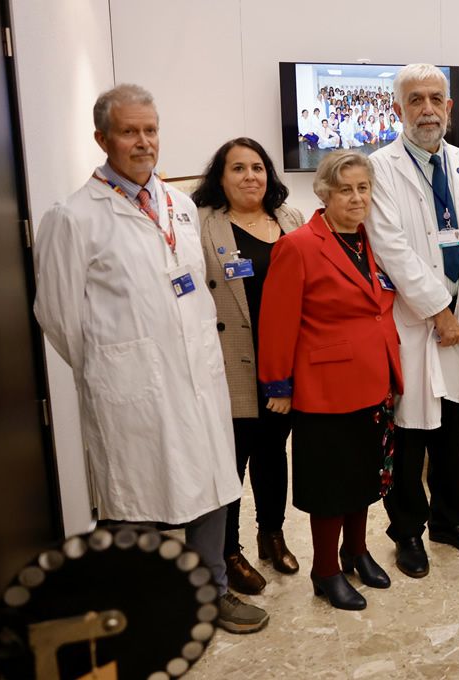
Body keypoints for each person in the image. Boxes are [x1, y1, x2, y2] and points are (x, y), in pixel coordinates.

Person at [33, 83, 267, 633]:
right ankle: (138, 602)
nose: (144, 142)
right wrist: (118, 368)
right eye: (130, 131)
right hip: (131, 386)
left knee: (212, 481)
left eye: (151, 130)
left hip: (198, 377)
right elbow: (59, 317)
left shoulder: (179, 205)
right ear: (103, 138)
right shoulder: (72, 217)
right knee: (132, 496)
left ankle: (210, 592)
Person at [367, 63, 459, 580]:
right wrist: (439, 313)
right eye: (415, 100)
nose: (427, 108)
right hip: (413, 325)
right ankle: (408, 533)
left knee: (448, 431)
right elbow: (391, 249)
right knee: (409, 433)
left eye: (435, 99)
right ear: (398, 109)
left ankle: (450, 521)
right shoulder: (379, 168)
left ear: (449, 107)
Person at [259, 150, 402, 611]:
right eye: (346, 189)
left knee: (364, 476)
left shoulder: (370, 241)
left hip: (374, 378)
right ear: (324, 192)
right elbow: (277, 321)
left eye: (363, 188)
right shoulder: (299, 245)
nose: (357, 198)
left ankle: (356, 551)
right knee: (331, 485)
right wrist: (278, 385)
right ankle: (325, 570)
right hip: (326, 387)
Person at [192, 138, 304, 597]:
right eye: (237, 168)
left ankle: (271, 534)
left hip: (282, 365)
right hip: (229, 361)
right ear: (220, 177)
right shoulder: (203, 225)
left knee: (273, 455)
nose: (250, 176)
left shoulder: (290, 220)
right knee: (231, 463)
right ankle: (229, 550)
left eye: (257, 167)